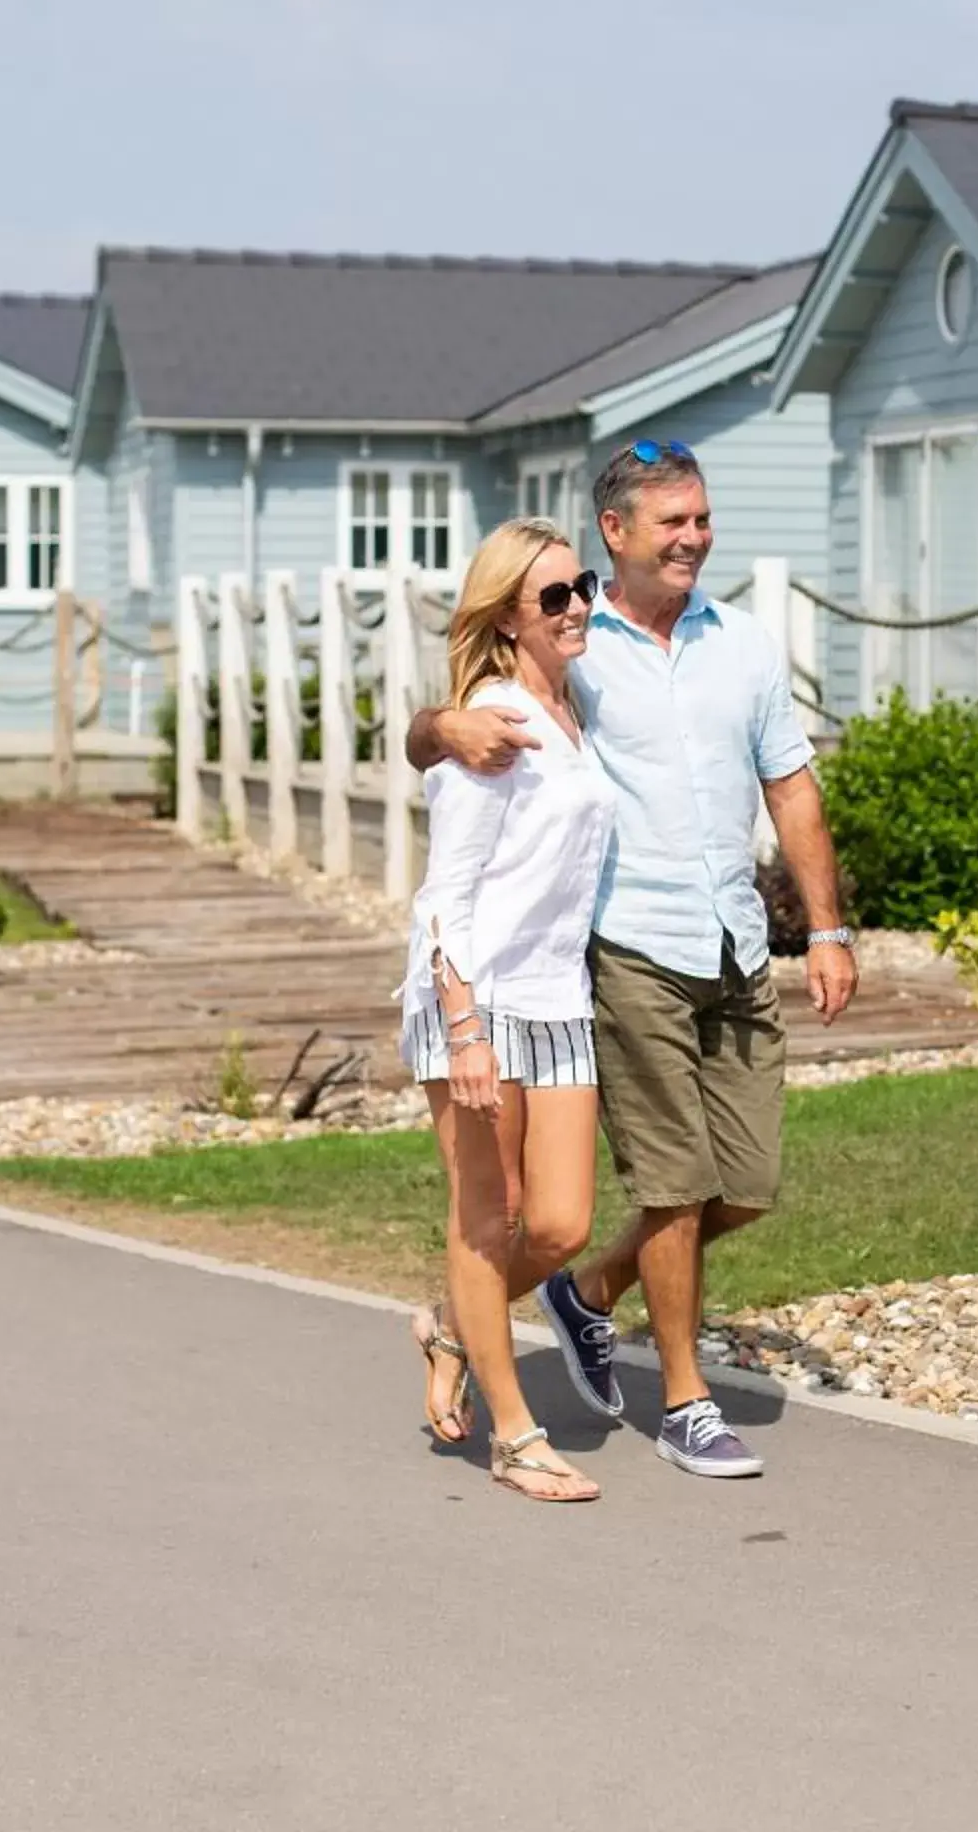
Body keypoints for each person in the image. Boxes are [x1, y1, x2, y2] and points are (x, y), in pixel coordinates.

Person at [409, 439, 857, 1480]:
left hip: (732, 937)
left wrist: (826, 928)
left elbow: (790, 785)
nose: (696, 537)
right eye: (674, 521)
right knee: (674, 1181)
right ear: (619, 531)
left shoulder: (741, 643)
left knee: (744, 1182)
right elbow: (446, 733)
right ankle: (686, 1398)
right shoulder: (575, 634)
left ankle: (582, 1291)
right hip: (623, 947)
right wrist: (442, 724)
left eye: (702, 517)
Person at [400, 517, 617, 1502]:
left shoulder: (571, 705)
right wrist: (463, 1024)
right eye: (556, 598)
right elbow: (446, 890)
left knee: (562, 1223)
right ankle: (515, 1437)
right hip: (478, 996)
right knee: (490, 1220)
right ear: (508, 617)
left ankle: (450, 1322)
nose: (579, 607)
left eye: (584, 586)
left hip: (557, 995)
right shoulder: (493, 717)